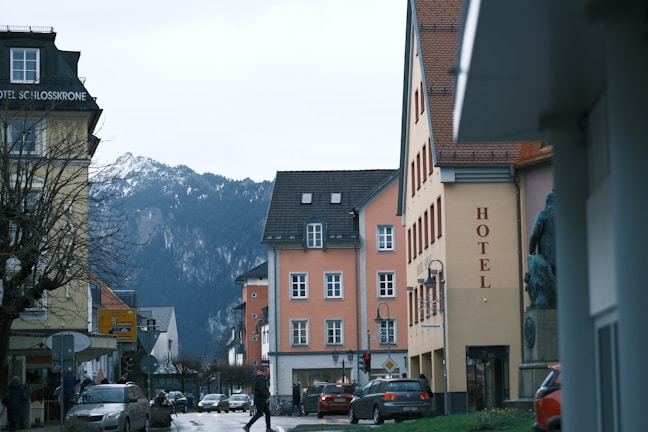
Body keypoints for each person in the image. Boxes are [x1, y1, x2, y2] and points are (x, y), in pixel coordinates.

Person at [243, 367, 273, 432]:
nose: (268, 373)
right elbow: (262, 389)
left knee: (267, 412)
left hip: (260, 398)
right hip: (260, 398)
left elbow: (263, 389)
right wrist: (267, 397)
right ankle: (247, 426)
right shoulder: (261, 378)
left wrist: (267, 394)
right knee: (259, 413)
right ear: (264, 371)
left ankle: (268, 428)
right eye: (268, 372)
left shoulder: (260, 378)